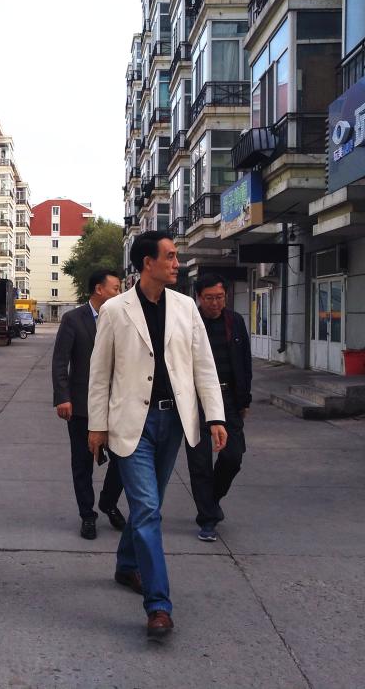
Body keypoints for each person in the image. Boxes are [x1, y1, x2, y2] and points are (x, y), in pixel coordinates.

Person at [87, 231, 227, 640]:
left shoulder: (185, 307)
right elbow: (100, 374)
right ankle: (159, 606)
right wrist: (97, 425)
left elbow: (203, 365)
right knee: (148, 509)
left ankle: (126, 564)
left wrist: (215, 416)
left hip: (174, 422)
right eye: (169, 256)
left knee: (150, 504)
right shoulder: (115, 310)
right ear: (147, 262)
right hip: (133, 423)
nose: (176, 263)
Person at [51, 269, 126, 540]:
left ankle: (108, 501)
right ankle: (87, 515)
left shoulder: (122, 318)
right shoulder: (73, 319)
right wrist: (63, 397)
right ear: (99, 289)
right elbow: (60, 360)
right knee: (82, 464)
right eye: (116, 288)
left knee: (124, 459)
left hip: (117, 405)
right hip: (82, 406)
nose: (119, 293)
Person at [189, 273, 253, 542]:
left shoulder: (234, 321)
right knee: (200, 462)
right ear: (198, 298)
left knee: (232, 457)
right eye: (209, 298)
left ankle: (212, 501)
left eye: (220, 297)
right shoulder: (190, 323)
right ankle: (207, 519)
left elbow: (245, 361)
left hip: (228, 399)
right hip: (196, 401)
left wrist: (244, 400)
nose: (215, 303)